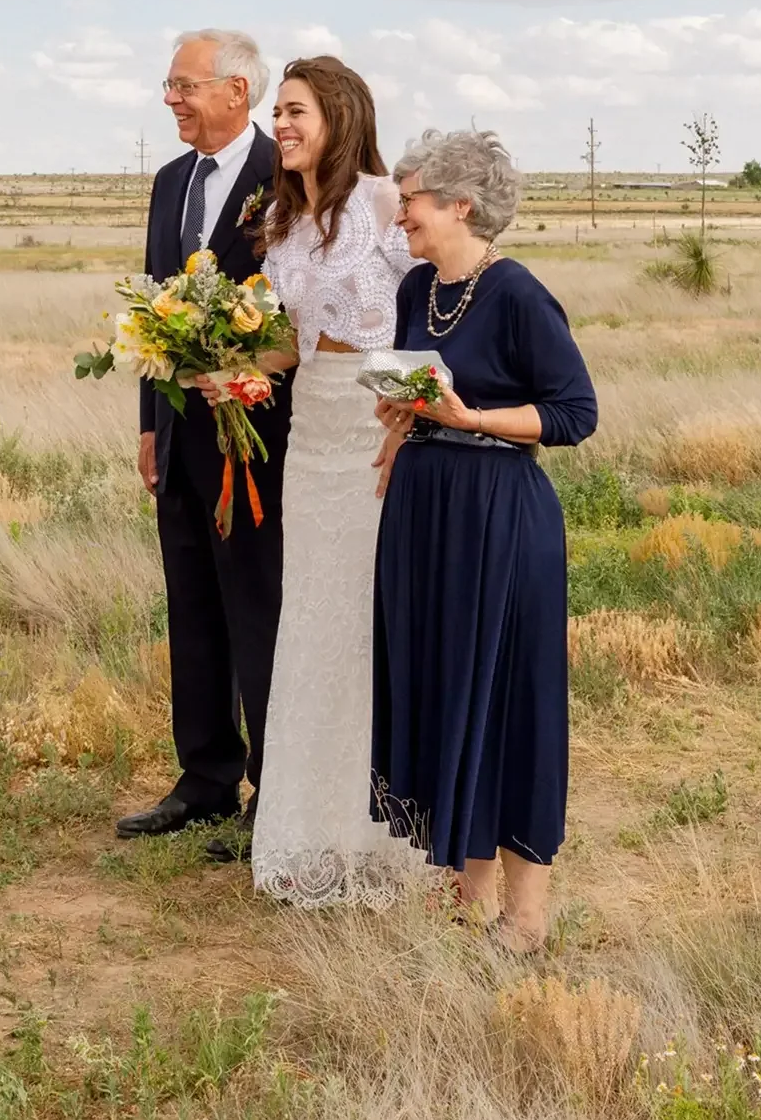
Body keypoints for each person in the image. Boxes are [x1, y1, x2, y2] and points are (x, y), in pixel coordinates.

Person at [370, 128, 598, 951]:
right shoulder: (416, 291)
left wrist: (472, 419)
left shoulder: (520, 295)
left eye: (412, 203)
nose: (402, 218)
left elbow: (576, 414)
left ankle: (526, 916)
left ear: (460, 205)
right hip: (425, 513)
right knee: (444, 688)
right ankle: (468, 892)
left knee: (507, 701)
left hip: (500, 514)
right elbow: (414, 381)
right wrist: (400, 422)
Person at [244, 56, 426, 904]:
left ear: (341, 115)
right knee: (312, 622)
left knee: (369, 619)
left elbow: (441, 302)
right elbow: (292, 341)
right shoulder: (282, 221)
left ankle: (390, 838)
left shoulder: (387, 205)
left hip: (377, 428)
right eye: (277, 113)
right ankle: (310, 830)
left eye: (295, 111)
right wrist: (221, 366)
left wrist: (421, 409)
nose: (280, 125)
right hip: (309, 435)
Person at [116, 29, 291, 855]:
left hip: (258, 439)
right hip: (182, 437)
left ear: (237, 92)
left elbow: (301, 318)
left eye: (185, 87)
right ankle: (207, 779)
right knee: (191, 603)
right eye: (169, 85)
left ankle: (276, 793)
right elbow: (155, 312)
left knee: (257, 608)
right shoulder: (168, 182)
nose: (171, 99)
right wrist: (152, 427)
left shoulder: (286, 183)